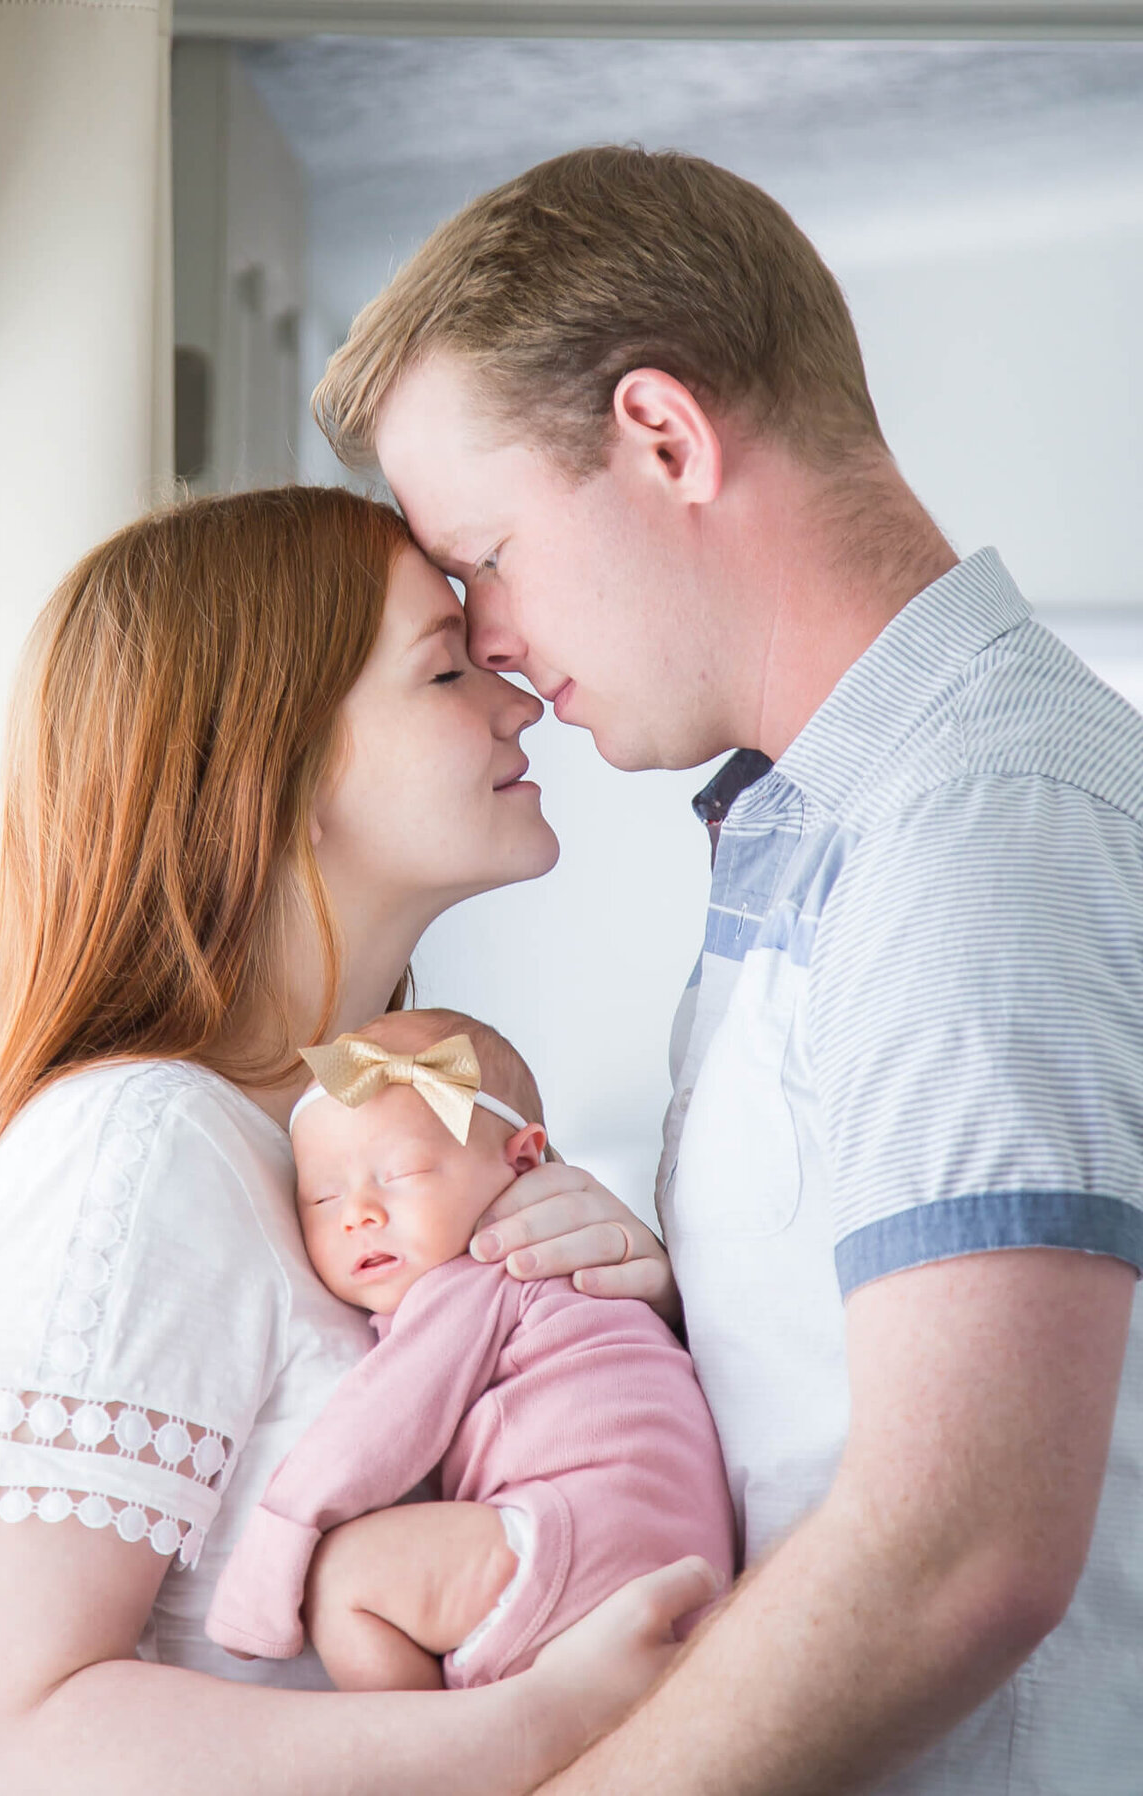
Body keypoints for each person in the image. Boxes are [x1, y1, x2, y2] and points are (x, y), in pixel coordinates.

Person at [312, 146, 1143, 1795]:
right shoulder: (829, 817)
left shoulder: (972, 827)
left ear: (666, 439)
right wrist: (680, 1309)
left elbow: (958, 1555)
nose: (489, 642)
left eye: (484, 554)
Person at [0, 485, 720, 1796]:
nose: (519, 702)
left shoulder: (336, 1146)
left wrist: (616, 1317)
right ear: (278, 777)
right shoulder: (135, 1152)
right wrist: (546, 1732)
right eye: (444, 668)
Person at [205, 1007, 735, 1689]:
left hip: (586, 1532)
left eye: (399, 1174)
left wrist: (267, 1566)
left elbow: (375, 1427)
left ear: (522, 1162)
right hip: (672, 1551)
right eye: (323, 1195)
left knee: (345, 1581)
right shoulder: (578, 1291)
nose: (357, 1213)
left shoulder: (487, 1272)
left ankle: (437, 1761)